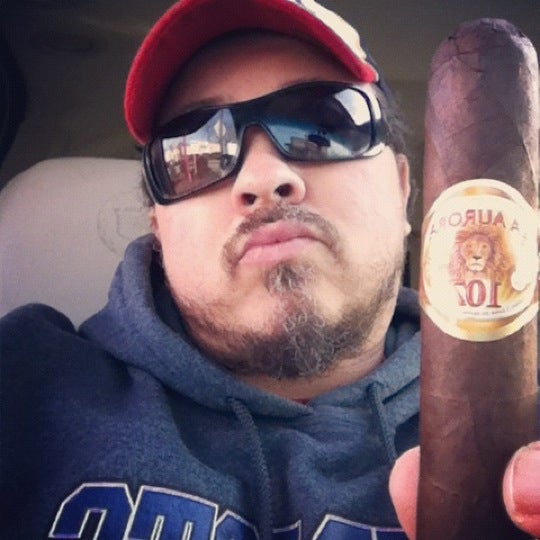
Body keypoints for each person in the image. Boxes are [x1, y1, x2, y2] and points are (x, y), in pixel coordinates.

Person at [1, 0, 538, 538]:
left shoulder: (524, 413)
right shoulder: (28, 381)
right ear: (158, 226)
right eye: (195, 148)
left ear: (403, 192)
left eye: (322, 124)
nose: (261, 178)